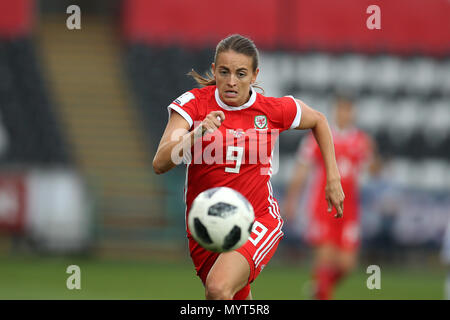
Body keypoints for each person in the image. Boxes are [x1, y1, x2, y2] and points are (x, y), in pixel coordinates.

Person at [152, 34, 344, 300]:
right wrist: (197, 133)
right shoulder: (194, 105)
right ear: (214, 70)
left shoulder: (271, 110)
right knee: (229, 297)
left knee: (218, 288)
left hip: (257, 219)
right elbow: (160, 162)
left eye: (241, 74)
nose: (232, 81)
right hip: (207, 228)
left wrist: (332, 178)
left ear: (255, 76)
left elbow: (319, 120)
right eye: (225, 72)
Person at [283, 95, 379, 300]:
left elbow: (372, 170)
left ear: (353, 113)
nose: (344, 114)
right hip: (322, 206)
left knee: (347, 264)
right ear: (335, 111)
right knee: (324, 261)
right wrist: (291, 200)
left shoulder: (361, 140)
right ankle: (323, 293)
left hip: (349, 209)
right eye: (341, 109)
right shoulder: (319, 136)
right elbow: (302, 170)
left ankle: (319, 289)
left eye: (348, 110)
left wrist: (374, 158)